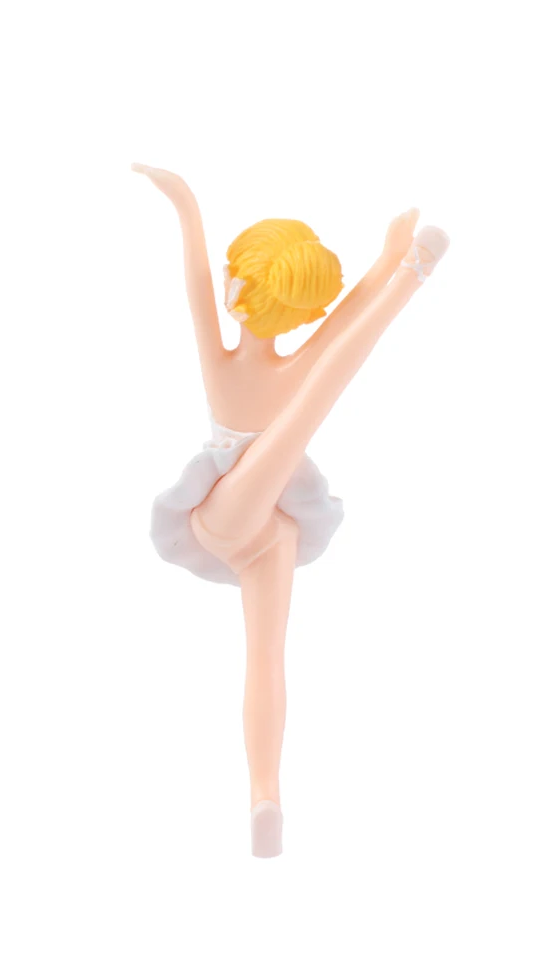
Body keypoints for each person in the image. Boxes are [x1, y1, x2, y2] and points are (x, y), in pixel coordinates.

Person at [134, 164, 449, 856]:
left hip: (265, 531)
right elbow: (345, 317)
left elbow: (199, 282)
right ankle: (411, 284)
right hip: (230, 512)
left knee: (267, 658)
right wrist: (389, 262)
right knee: (310, 404)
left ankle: (265, 796)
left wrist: (187, 207)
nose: (223, 283)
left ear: (240, 288)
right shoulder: (284, 367)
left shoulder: (225, 360)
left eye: (233, 275)